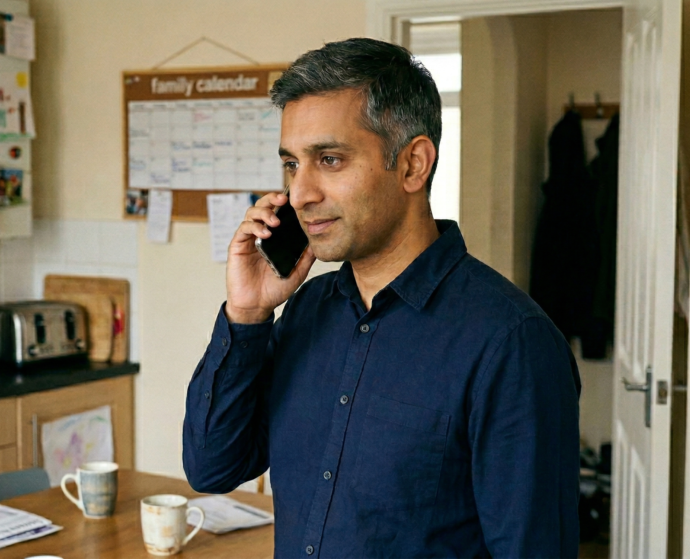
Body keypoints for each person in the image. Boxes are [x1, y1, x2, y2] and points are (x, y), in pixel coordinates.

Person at [183, 38, 581, 558]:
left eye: (329, 159)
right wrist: (248, 313)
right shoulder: (306, 310)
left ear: (413, 164)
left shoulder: (511, 344)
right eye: (291, 165)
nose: (300, 193)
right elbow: (213, 467)